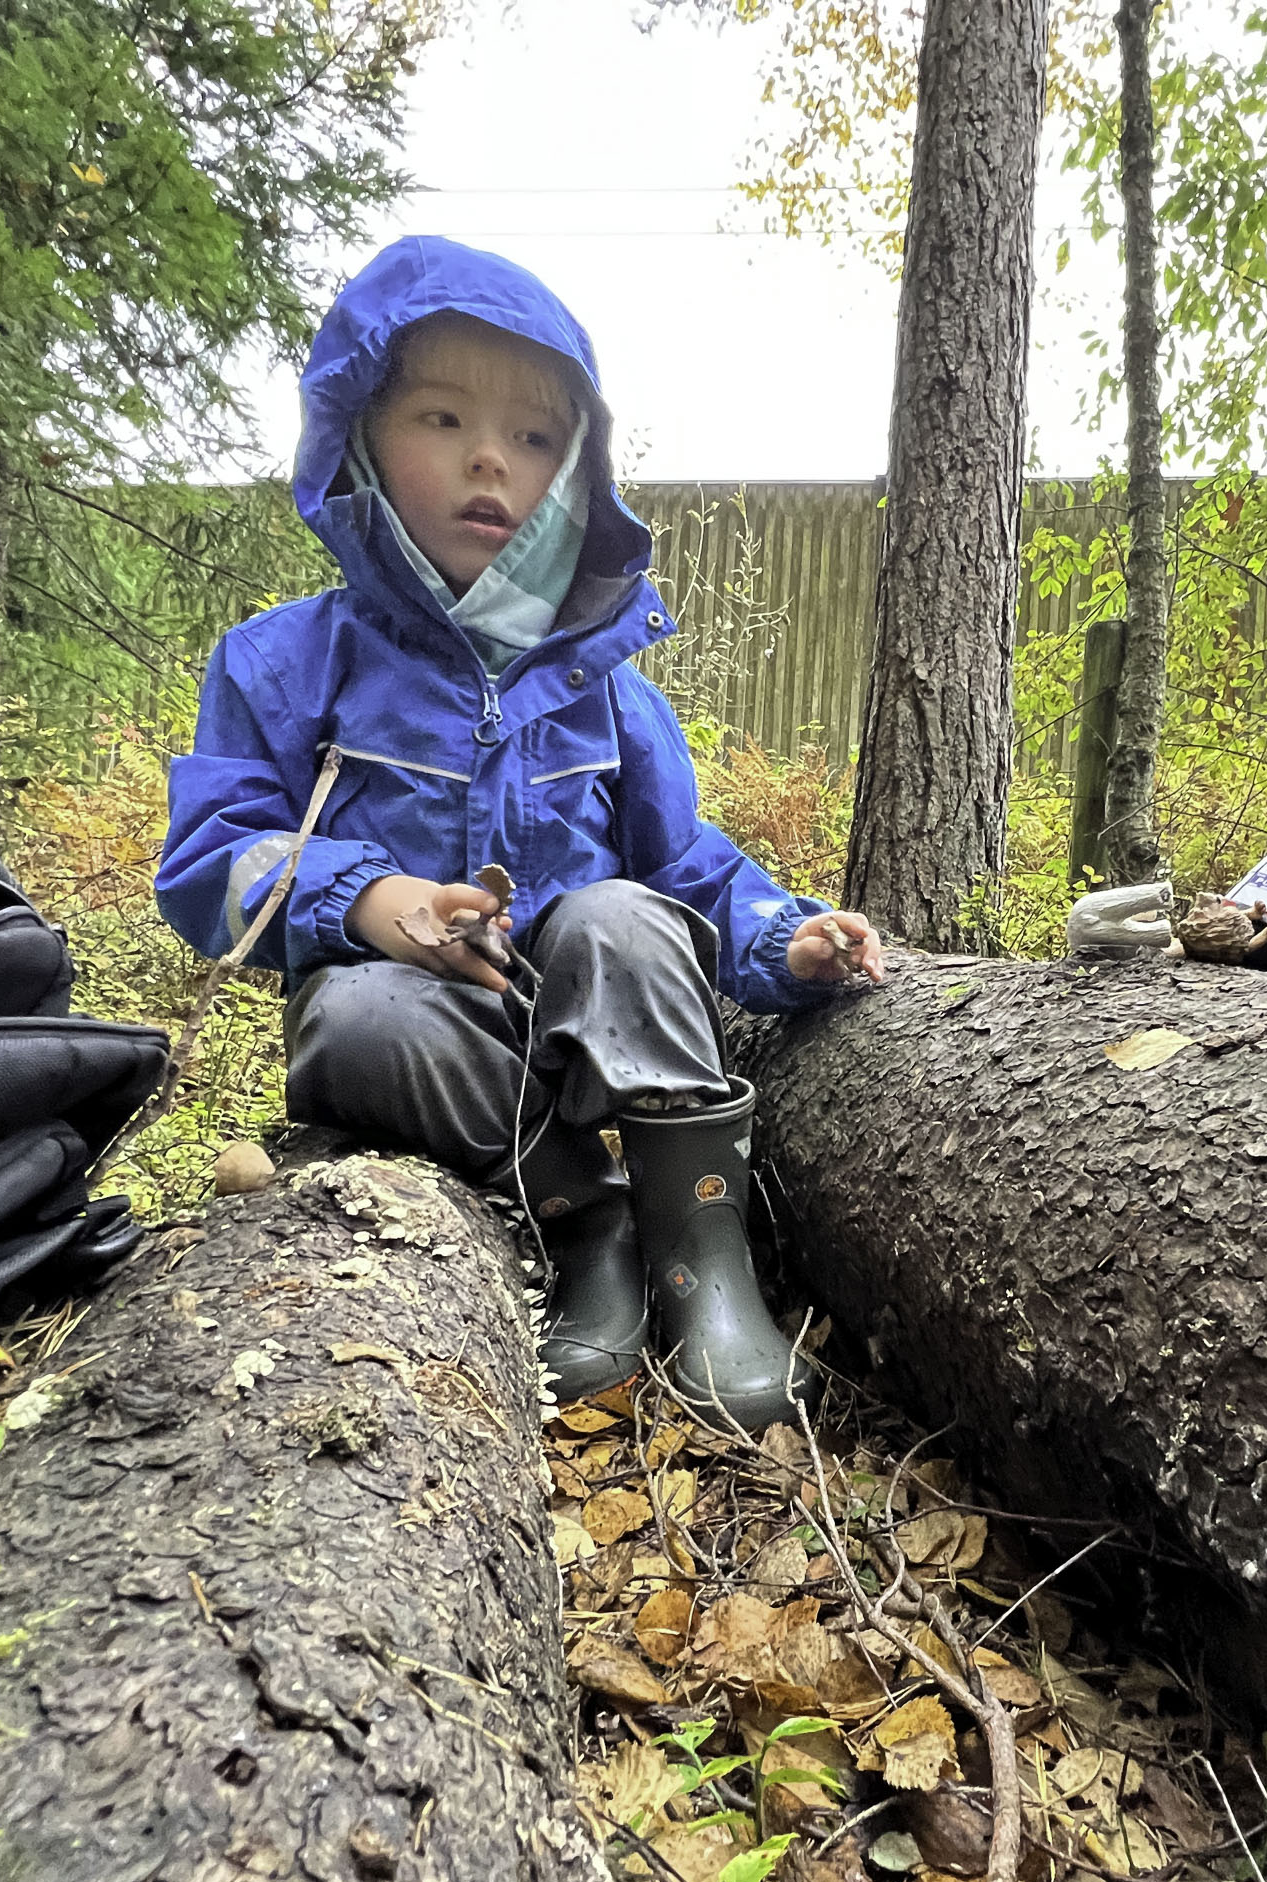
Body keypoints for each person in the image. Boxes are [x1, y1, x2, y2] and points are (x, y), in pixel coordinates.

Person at [156, 237, 885, 1431]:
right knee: (355, 1013)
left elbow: (686, 864)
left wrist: (782, 936)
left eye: (535, 436)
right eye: (442, 418)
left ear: (576, 471)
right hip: (435, 1039)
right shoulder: (287, 663)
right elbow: (210, 856)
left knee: (620, 913)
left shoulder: (604, 689)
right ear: (357, 437)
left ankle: (700, 1250)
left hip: (592, 1020)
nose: (490, 458)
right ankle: (584, 1221)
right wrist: (369, 900)